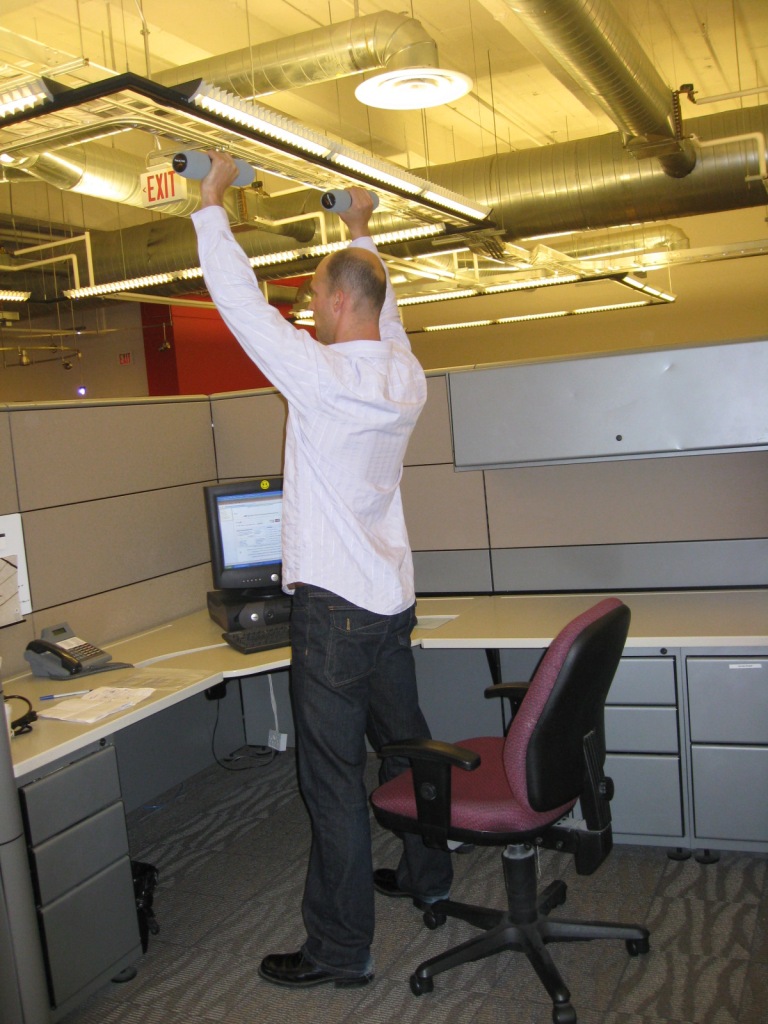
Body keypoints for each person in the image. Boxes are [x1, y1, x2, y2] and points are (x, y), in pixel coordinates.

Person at [192, 153, 453, 989]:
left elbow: (240, 304)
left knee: (332, 783)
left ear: (339, 303)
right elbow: (388, 312)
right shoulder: (405, 376)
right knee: (406, 748)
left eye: (313, 295)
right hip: (391, 605)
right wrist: (360, 231)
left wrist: (211, 202)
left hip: (335, 615)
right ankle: (429, 875)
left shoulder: (322, 378)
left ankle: (340, 951)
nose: (307, 307)